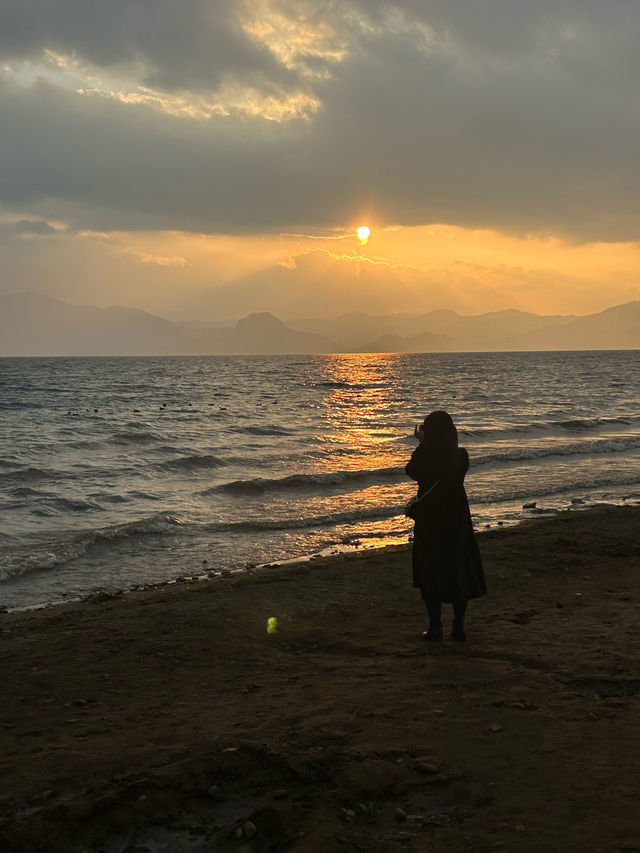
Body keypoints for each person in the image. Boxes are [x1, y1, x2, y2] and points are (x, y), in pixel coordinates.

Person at [405, 410, 486, 641]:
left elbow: (411, 471)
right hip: (457, 519)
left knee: (431, 571)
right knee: (458, 570)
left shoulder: (427, 456)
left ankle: (435, 627)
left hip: (431, 520)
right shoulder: (460, 456)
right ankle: (458, 627)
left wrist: (422, 445)